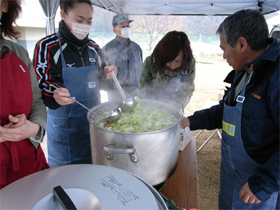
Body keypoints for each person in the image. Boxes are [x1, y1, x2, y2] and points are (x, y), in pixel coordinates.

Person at [181, 9, 279, 209]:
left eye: (224, 48)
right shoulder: (244, 70)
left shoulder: (275, 76)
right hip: (233, 174)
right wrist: (190, 121)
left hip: (259, 189)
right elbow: (226, 110)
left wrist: (263, 183)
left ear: (242, 44)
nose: (223, 55)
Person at [33, 0, 117, 167]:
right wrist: (55, 92)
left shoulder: (94, 47)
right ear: (63, 15)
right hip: (65, 135)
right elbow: (41, 84)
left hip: (94, 129)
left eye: (89, 21)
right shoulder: (47, 46)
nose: (84, 26)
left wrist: (110, 77)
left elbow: (103, 82)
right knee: (66, 183)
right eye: (79, 20)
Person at [0, 0, 49, 189]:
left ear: (4, 5)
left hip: (31, 164)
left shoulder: (19, 53)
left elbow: (36, 100)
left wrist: (35, 127)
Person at [138, 31, 195, 110]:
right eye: (168, 61)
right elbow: (143, 89)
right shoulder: (150, 62)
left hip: (175, 107)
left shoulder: (189, 64)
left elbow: (187, 90)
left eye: (178, 61)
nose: (172, 66)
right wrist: (150, 107)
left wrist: (175, 107)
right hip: (152, 106)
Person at [102, 14, 143, 101]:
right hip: (116, 93)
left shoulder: (136, 48)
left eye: (128, 26)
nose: (127, 29)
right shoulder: (107, 49)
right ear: (114, 30)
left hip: (135, 92)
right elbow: (103, 76)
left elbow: (141, 71)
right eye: (123, 26)